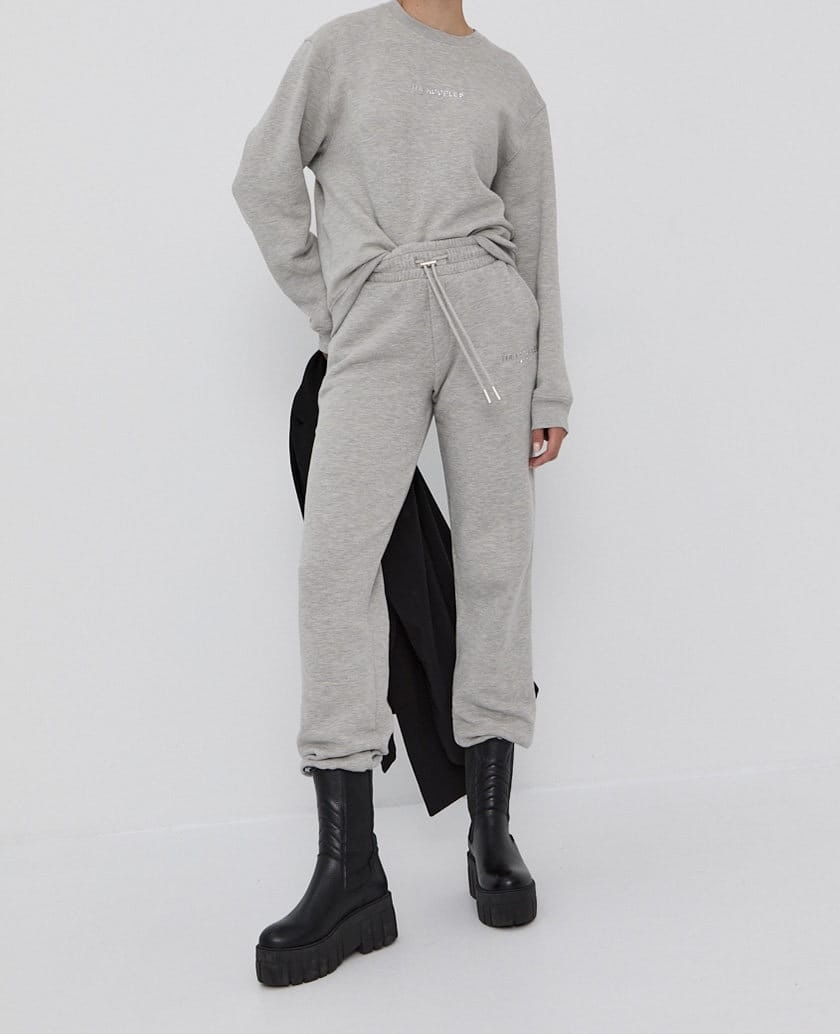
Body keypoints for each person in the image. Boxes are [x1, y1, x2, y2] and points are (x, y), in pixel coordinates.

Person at [232, 0, 573, 986]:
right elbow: (262, 178)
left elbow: (537, 238)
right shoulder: (339, 51)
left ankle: (491, 829)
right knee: (335, 570)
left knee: (496, 564)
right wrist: (335, 299)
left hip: (490, 324)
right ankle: (351, 869)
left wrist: (550, 385)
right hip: (377, 319)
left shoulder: (508, 81)